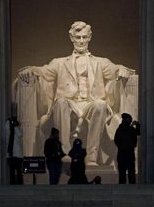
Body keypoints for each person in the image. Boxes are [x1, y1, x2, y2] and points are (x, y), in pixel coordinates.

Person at [18, 21, 135, 165]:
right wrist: (32, 70)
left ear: (89, 38)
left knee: (100, 104)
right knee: (60, 102)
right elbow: (45, 71)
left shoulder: (100, 62)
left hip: (90, 104)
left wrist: (121, 70)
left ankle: (91, 157)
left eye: (84, 37)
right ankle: (65, 153)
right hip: (70, 104)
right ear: (72, 38)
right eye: (78, 37)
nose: (81, 41)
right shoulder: (59, 62)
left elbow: (114, 69)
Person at [114, 113, 140, 184]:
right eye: (130, 119)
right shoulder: (130, 129)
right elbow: (138, 133)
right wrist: (137, 125)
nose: (130, 121)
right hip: (127, 153)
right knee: (130, 173)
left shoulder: (120, 129)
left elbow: (116, 140)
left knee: (124, 174)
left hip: (124, 153)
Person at [6, 116, 23, 184]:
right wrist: (10, 122)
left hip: (18, 155)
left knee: (19, 171)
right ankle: (12, 183)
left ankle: (19, 183)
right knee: (12, 171)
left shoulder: (17, 130)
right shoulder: (8, 132)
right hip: (11, 155)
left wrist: (15, 127)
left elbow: (20, 134)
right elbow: (6, 127)